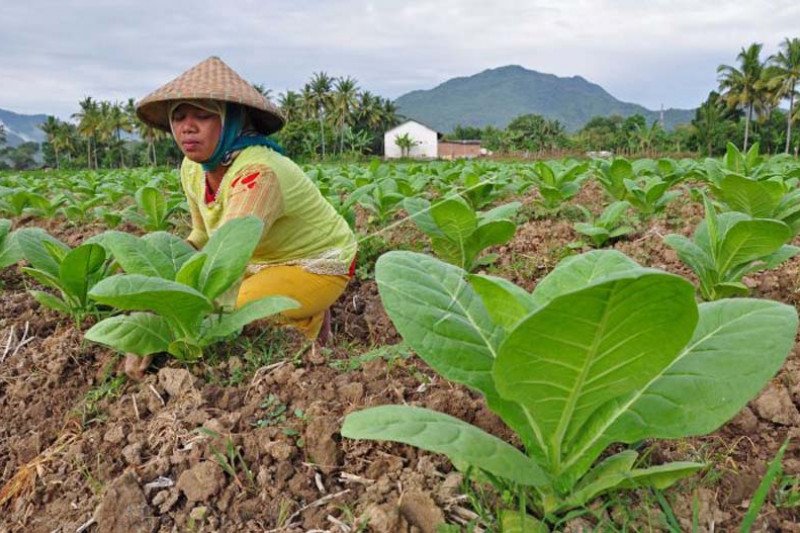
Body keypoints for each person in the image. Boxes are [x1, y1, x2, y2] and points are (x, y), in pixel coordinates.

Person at [127, 56, 357, 380]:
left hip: (315, 263)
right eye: (178, 116)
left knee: (235, 313)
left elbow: (226, 261)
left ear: (230, 120)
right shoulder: (193, 168)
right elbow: (202, 238)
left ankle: (311, 317)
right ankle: (296, 304)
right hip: (258, 262)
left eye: (202, 115)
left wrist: (161, 328)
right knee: (220, 305)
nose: (186, 127)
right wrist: (154, 292)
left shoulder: (257, 175)